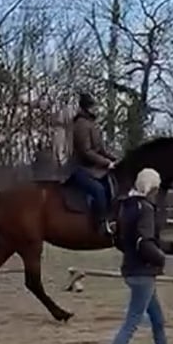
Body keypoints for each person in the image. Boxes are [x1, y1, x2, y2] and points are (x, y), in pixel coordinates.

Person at [97, 168, 173, 344]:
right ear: (152, 188)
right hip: (142, 272)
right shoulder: (146, 209)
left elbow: (120, 240)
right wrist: (163, 261)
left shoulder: (126, 207)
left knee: (157, 320)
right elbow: (145, 243)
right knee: (132, 321)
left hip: (132, 269)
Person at [70, 92, 117, 236]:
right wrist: (106, 163)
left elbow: (101, 149)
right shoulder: (81, 125)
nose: (96, 109)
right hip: (80, 168)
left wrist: (115, 160)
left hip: (93, 169)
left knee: (112, 185)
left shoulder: (93, 124)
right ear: (87, 108)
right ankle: (101, 223)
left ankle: (113, 218)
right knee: (98, 190)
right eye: (93, 106)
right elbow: (86, 151)